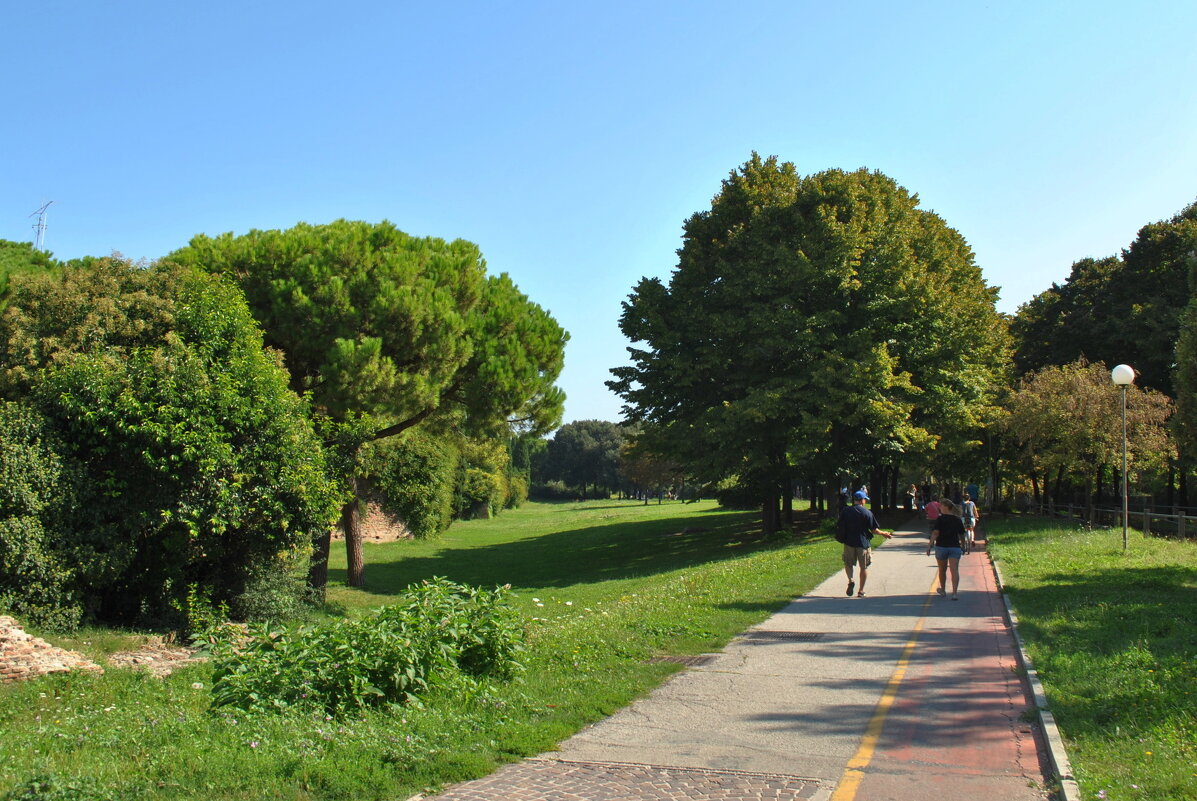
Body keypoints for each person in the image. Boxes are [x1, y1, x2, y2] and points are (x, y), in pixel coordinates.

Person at [836, 490, 894, 598]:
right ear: (862, 500)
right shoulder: (867, 513)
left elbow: (840, 524)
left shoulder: (846, 511)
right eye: (865, 499)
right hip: (863, 543)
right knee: (864, 567)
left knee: (848, 563)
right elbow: (874, 530)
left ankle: (851, 580)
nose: (866, 501)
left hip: (848, 542)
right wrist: (884, 533)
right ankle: (861, 591)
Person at [927, 498, 966, 600]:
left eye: (941, 506)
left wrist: (930, 545)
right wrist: (963, 545)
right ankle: (954, 593)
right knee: (954, 570)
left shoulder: (940, 519)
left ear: (946, 507)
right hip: (954, 547)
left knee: (942, 569)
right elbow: (962, 535)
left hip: (942, 547)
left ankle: (943, 590)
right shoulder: (958, 520)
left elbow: (935, 533)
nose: (939, 507)